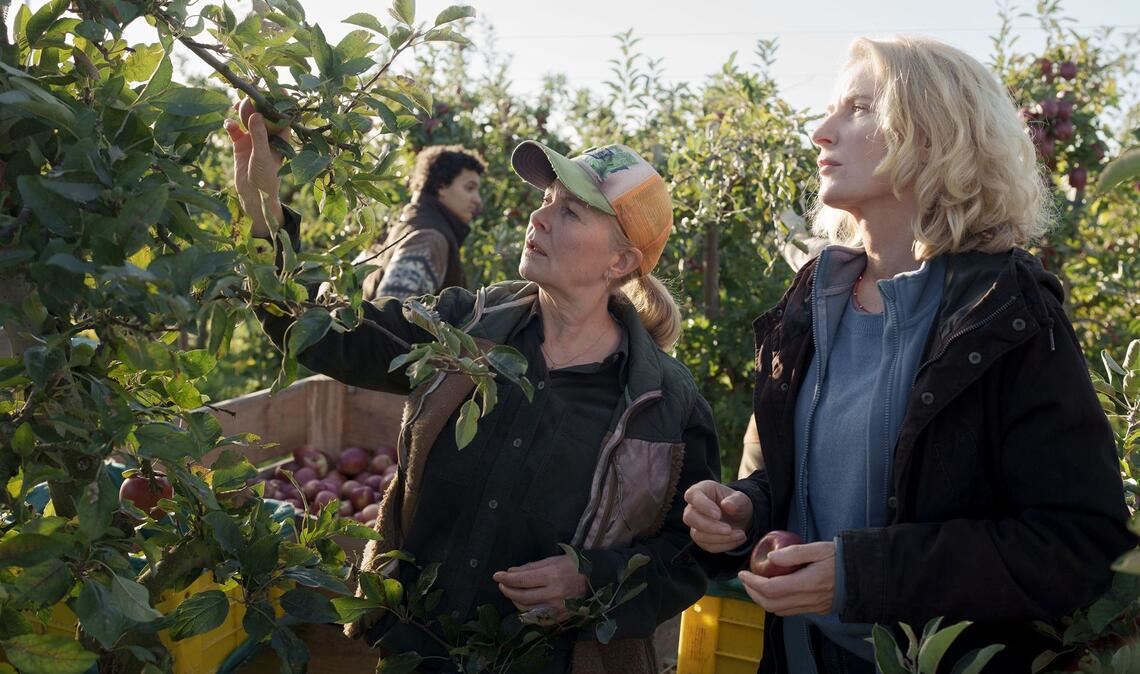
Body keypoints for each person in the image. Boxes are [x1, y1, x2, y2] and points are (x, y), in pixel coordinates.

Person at [682, 35, 1133, 674]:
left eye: (858, 108)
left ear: (933, 135)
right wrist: (748, 510)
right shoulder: (811, 303)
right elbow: (806, 486)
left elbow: (1076, 545)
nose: (819, 130)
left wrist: (866, 574)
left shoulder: (1004, 312)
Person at [225, 109, 719, 674]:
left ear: (621, 260)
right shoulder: (462, 329)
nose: (540, 216)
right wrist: (262, 212)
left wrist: (592, 577)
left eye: (571, 211)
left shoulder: (664, 405)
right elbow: (322, 334)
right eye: (547, 198)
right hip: (418, 653)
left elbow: (689, 553)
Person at [355, 144, 485, 301]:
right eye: (469, 188)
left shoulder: (406, 224)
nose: (478, 200)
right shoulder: (430, 239)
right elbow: (394, 309)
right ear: (441, 186)